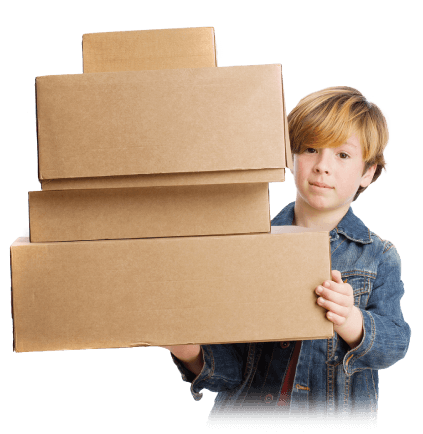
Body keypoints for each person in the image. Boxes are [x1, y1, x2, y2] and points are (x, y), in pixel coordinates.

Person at [161, 86, 411, 427]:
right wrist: (188, 349)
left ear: (368, 171)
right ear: (289, 155)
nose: (323, 166)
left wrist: (349, 319)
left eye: (342, 155)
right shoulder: (248, 244)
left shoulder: (378, 255)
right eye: (310, 148)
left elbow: (395, 344)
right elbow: (231, 370)